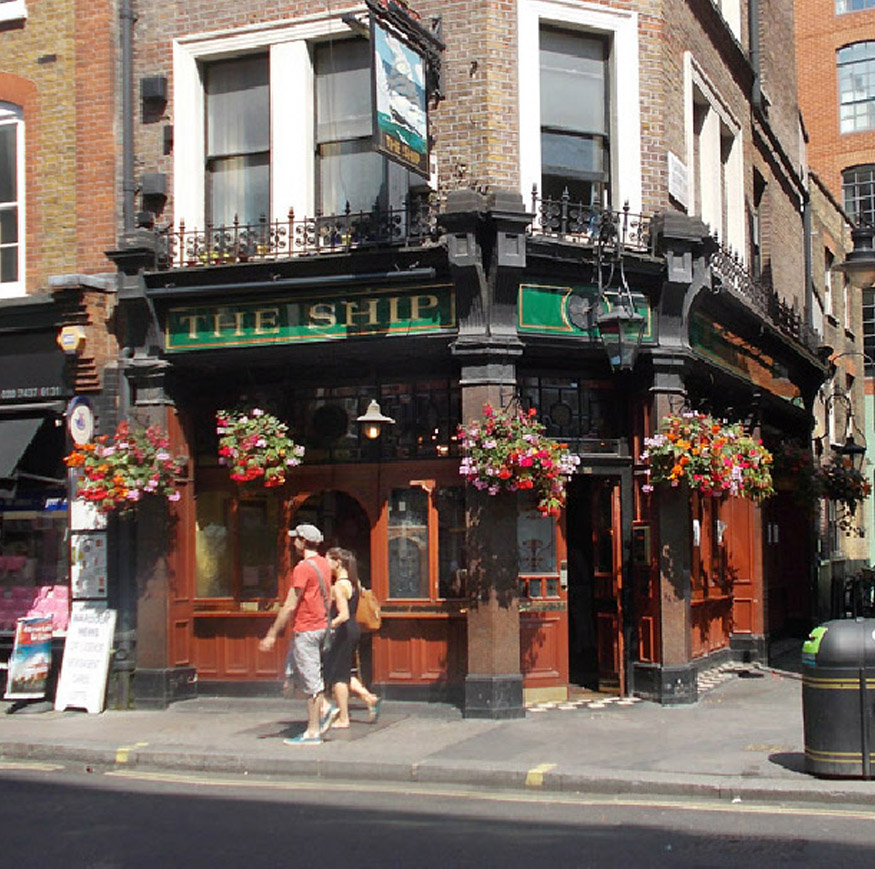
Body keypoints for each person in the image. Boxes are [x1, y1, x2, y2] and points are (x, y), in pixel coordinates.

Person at [259, 523, 332, 745]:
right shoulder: (324, 564)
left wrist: (272, 634)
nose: (292, 542)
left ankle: (313, 732)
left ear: (302, 541)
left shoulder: (302, 568)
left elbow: (290, 604)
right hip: (320, 627)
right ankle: (327, 708)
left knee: (311, 682)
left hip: (306, 630)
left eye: (295, 539)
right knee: (293, 677)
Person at [323, 547, 381, 727]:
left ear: (337, 562)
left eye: (327, 560)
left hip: (343, 631)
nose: (325, 564)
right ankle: (369, 697)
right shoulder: (354, 582)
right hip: (352, 630)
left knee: (338, 676)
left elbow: (343, 614)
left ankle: (344, 718)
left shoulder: (339, 586)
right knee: (343, 670)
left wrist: (328, 626)